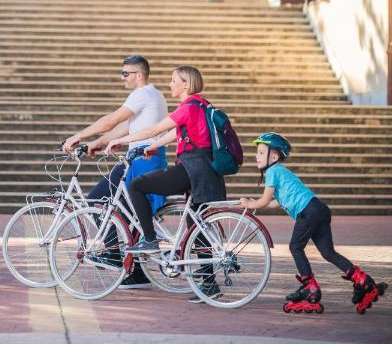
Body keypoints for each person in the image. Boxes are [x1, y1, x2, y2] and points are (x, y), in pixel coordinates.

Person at [107, 65, 226, 300]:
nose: (170, 84)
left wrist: (121, 140)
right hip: (205, 172)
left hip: (191, 169)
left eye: (174, 80)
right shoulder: (202, 105)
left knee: (136, 186)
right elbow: (176, 134)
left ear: (186, 85)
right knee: (196, 224)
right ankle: (209, 284)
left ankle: (149, 240)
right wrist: (151, 147)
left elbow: (153, 129)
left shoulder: (188, 107)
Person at [240, 132, 388, 314]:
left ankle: (311, 288)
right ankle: (363, 280)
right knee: (328, 252)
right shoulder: (282, 172)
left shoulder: (272, 171)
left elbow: (264, 201)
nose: (257, 156)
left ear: (274, 156)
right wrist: (256, 202)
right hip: (319, 209)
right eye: (257, 153)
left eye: (261, 152)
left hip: (308, 212)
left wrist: (250, 204)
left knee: (295, 247)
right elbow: (273, 202)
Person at [63, 54, 168, 289]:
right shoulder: (153, 94)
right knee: (122, 211)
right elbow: (122, 127)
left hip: (144, 159)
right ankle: (133, 268)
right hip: (140, 158)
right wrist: (96, 144)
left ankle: (113, 253)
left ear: (139, 75)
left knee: (110, 205)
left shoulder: (142, 93)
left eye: (125, 73)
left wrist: (79, 136)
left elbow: (111, 121)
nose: (122, 78)